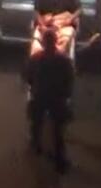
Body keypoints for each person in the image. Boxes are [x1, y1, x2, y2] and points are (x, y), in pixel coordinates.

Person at [23, 29, 74, 172]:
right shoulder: (64, 60)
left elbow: (27, 76)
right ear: (56, 41)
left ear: (43, 42)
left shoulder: (35, 58)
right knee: (57, 130)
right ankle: (59, 160)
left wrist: (33, 88)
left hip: (39, 96)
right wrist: (66, 96)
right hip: (57, 98)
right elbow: (69, 79)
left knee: (37, 124)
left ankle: (36, 147)